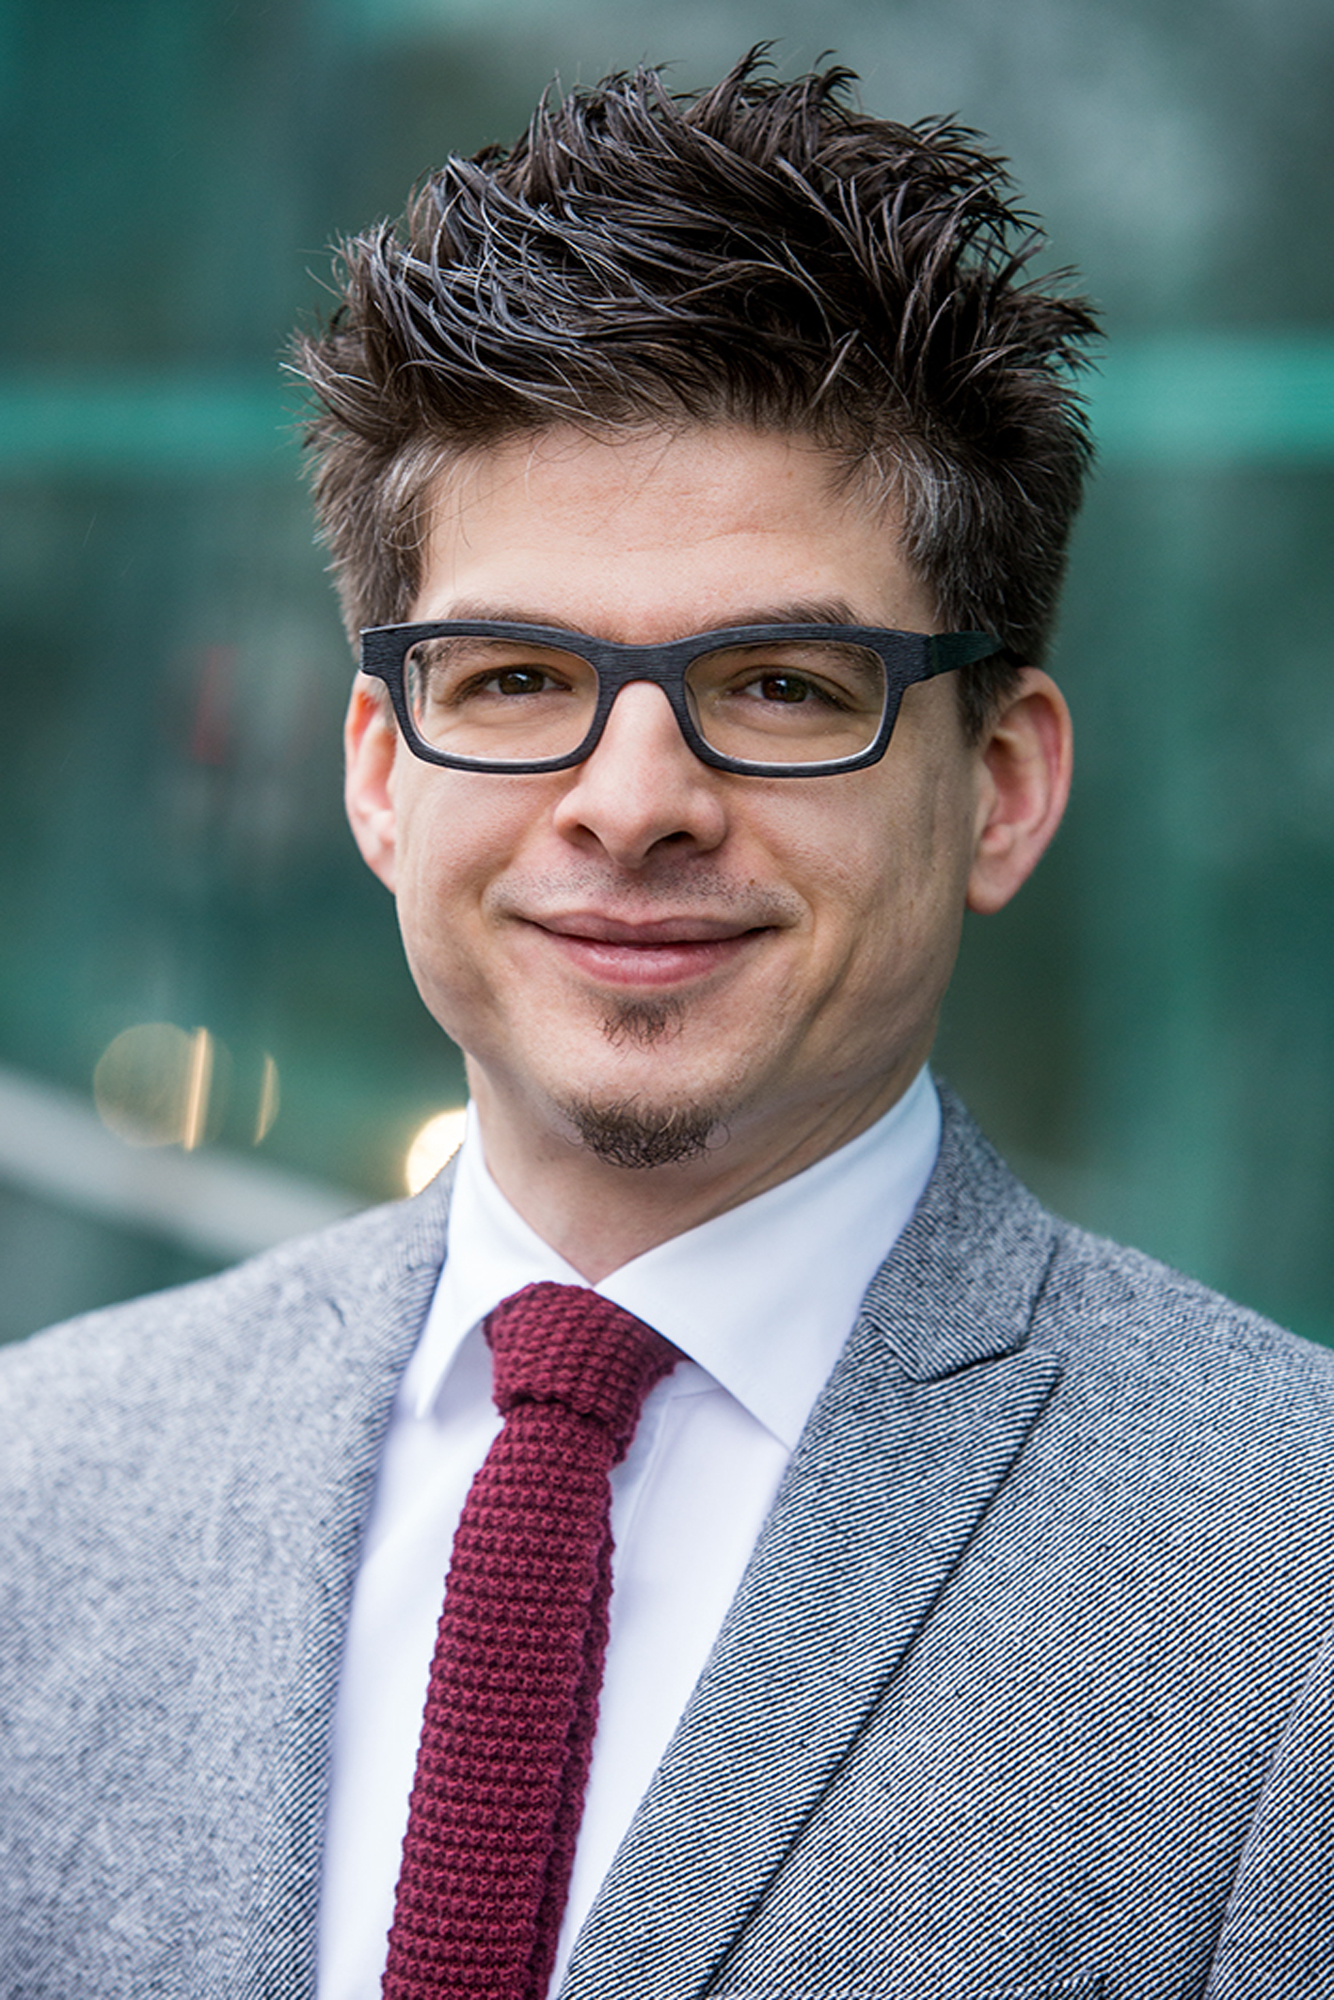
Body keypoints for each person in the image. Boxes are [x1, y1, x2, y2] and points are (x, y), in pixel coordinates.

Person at [2, 52, 1333, 2000]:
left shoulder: (1290, 1583)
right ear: (379, 773)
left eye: (786, 685)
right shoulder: (45, 1485)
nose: (631, 799)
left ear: (1002, 783)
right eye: (521, 673)